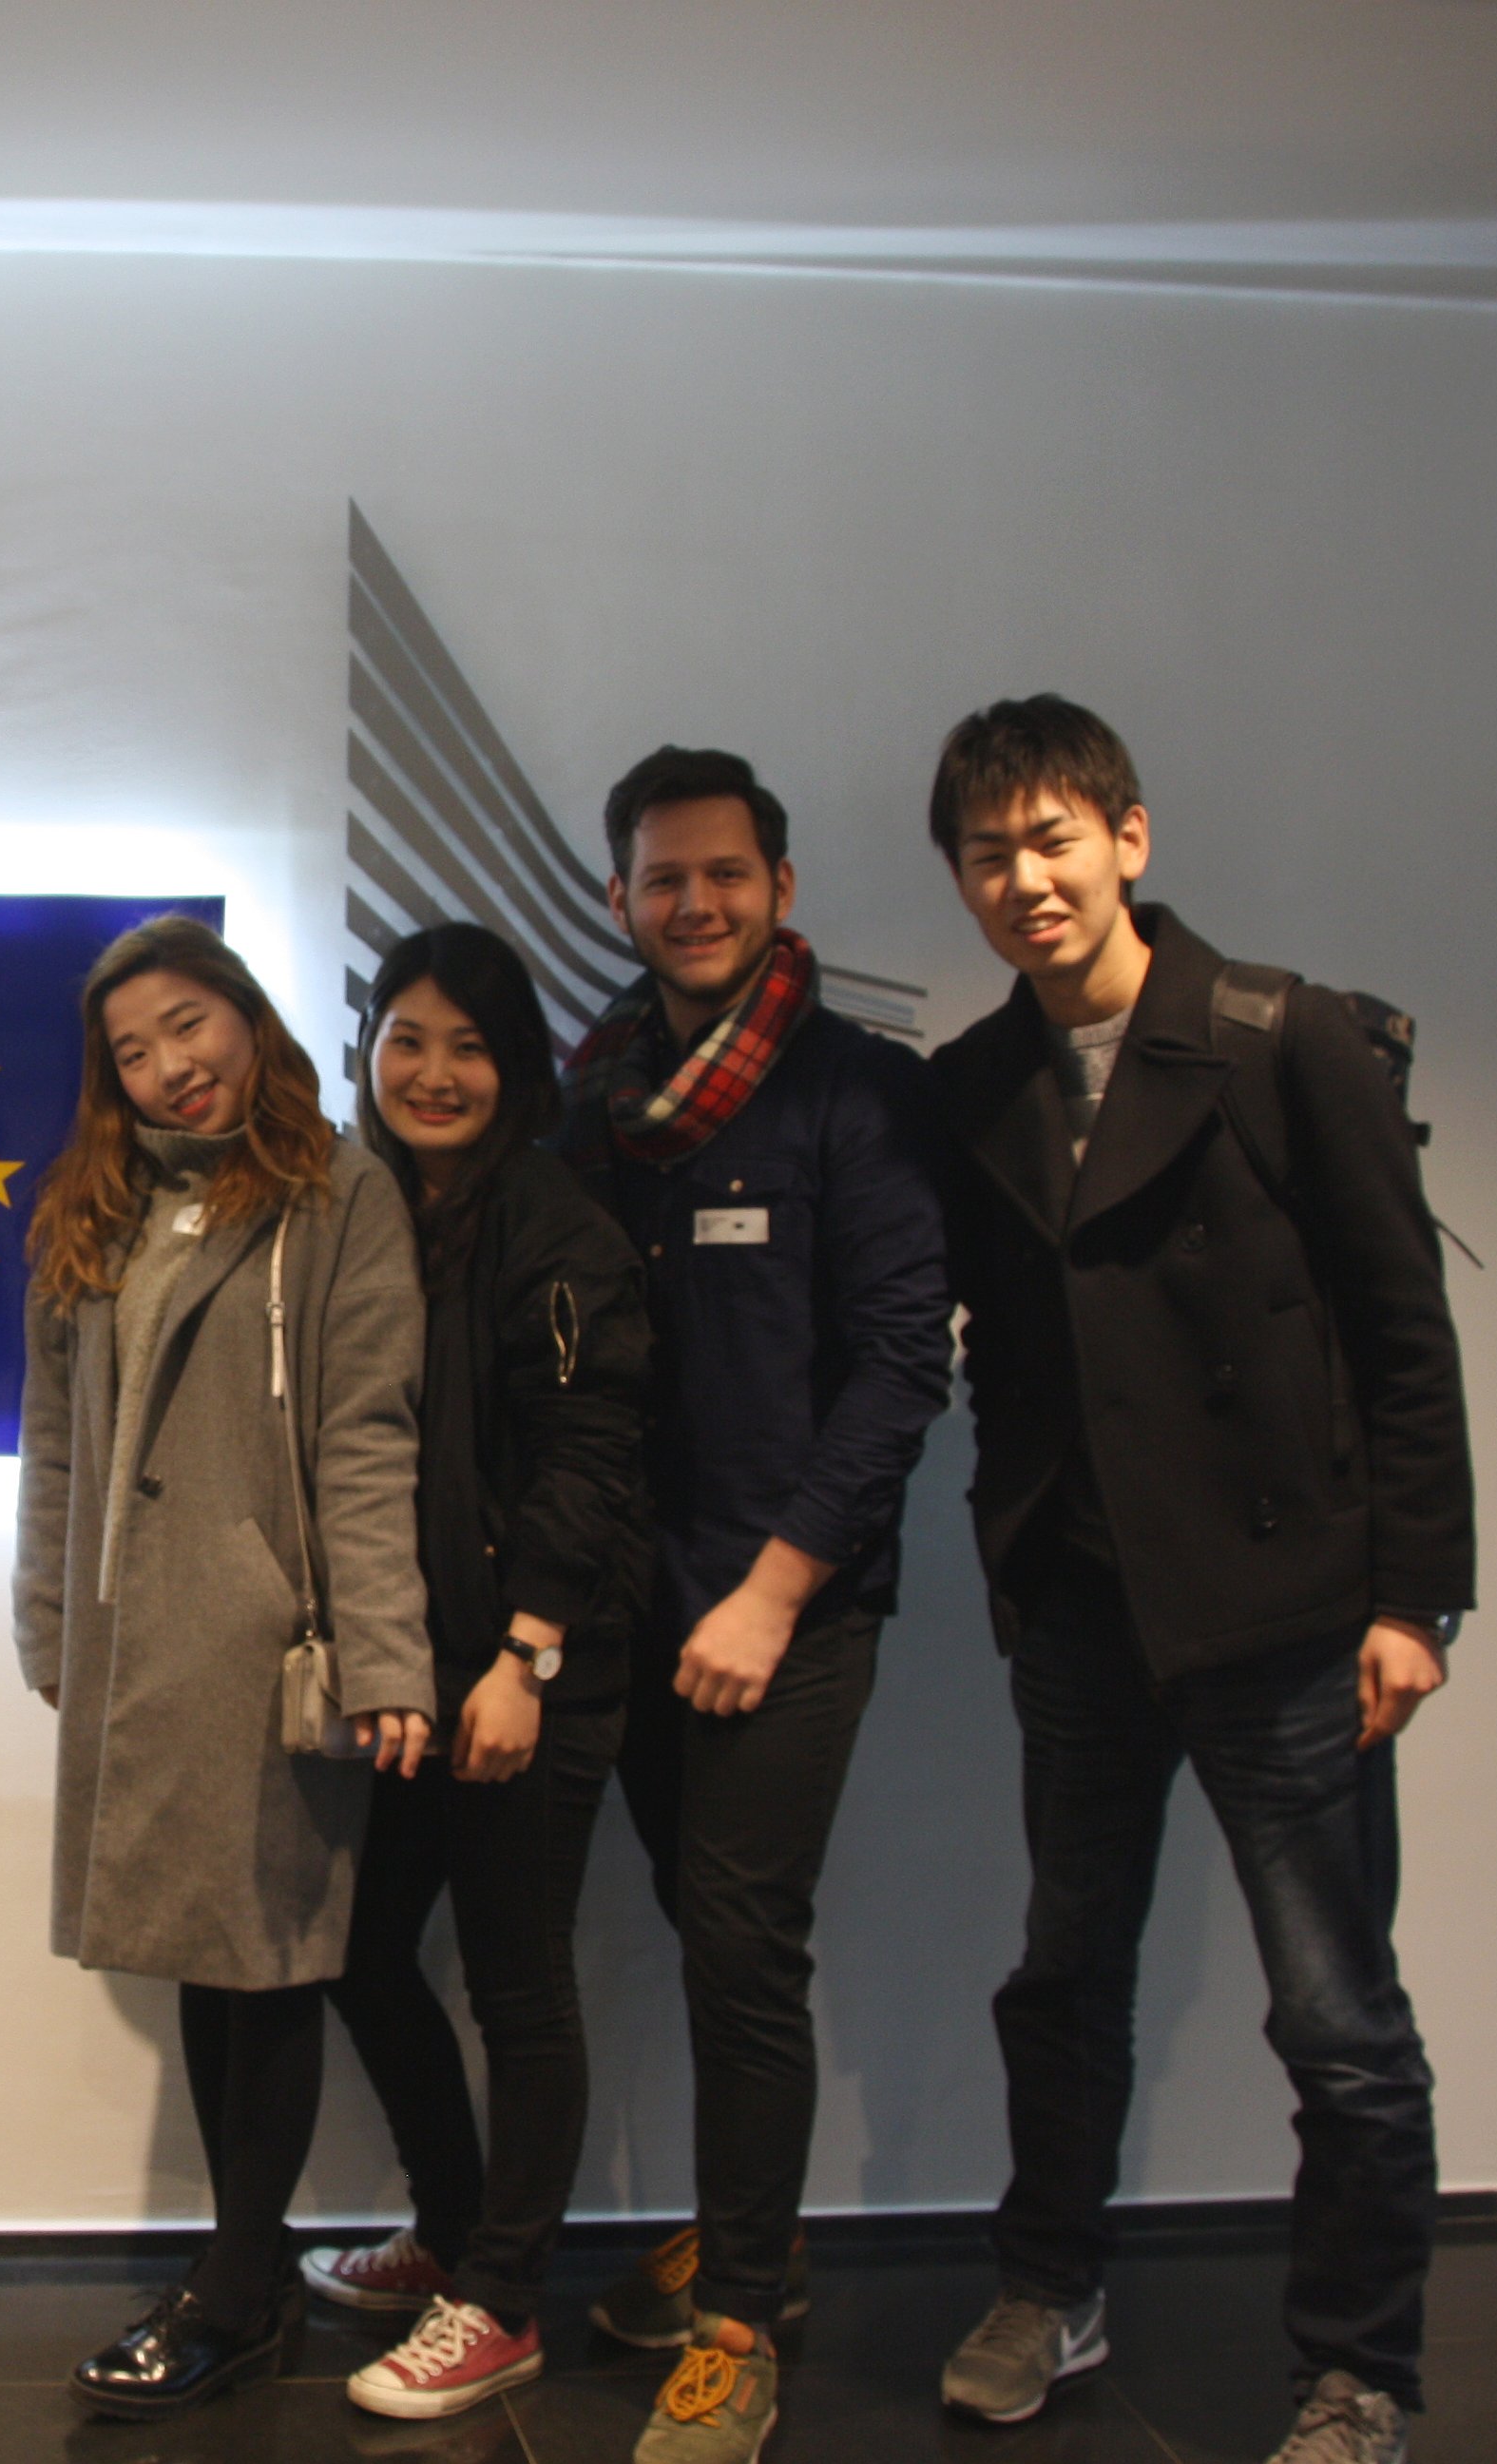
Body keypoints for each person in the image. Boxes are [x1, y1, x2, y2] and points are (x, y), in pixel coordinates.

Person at [921, 695, 1468, 2464]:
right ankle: (1048, 2284)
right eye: (990, 854)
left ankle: (1360, 2372)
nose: (1027, 879)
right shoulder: (974, 1088)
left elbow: (1404, 1334)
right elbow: (997, 1348)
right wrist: (1013, 1549)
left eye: (1054, 839)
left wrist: (1416, 1599)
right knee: (1062, 1969)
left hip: (1286, 1610)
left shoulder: (1284, 1037)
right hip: (1081, 1606)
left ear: (1131, 840)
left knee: (1338, 2017)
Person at [555, 748, 954, 2464]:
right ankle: (747, 2230)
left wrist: (774, 1595)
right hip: (636, 1600)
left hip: (780, 1609)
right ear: (624, 901)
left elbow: (897, 1372)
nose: (693, 903)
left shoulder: (856, 1094)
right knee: (703, 1925)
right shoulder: (601, 1097)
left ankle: (741, 2327)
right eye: (661, 879)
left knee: (739, 1948)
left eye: (724, 874)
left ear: (780, 887)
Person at [13, 914, 437, 2424]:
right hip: (137, 1646)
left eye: (188, 1025)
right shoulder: (94, 1208)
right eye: (132, 1050)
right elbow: (53, 1438)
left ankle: (240, 2292)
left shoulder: (339, 1195)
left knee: (270, 1966)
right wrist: (52, 1616)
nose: (168, 1067)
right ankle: (245, 2271)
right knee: (210, 1955)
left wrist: (389, 1654)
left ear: (247, 1017)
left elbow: (367, 1435)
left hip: (265, 1650)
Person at [299, 923, 655, 2421]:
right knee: (366, 1954)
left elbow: (593, 1456)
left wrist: (527, 1657)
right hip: (415, 1670)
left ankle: (503, 2299)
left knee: (518, 1985)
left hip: (528, 1672)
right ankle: (451, 2230)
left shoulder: (554, 1225)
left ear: (518, 1070)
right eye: (407, 1040)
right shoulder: (372, 1209)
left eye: (470, 1046)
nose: (433, 1073)